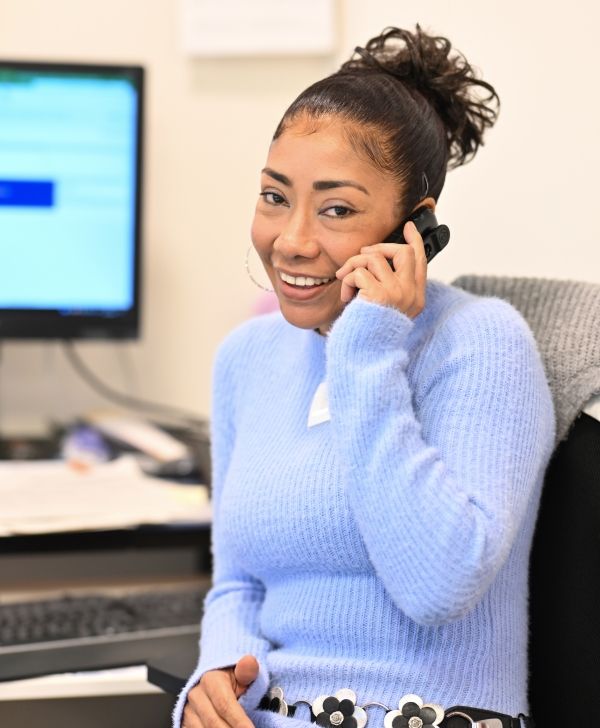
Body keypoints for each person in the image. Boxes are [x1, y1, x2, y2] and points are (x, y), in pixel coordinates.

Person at [175, 25, 555, 728]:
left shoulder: (482, 344)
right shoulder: (246, 358)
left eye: (338, 209)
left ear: (415, 229)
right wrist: (215, 679)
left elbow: (439, 583)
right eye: (274, 196)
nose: (290, 240)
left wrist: (366, 349)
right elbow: (236, 581)